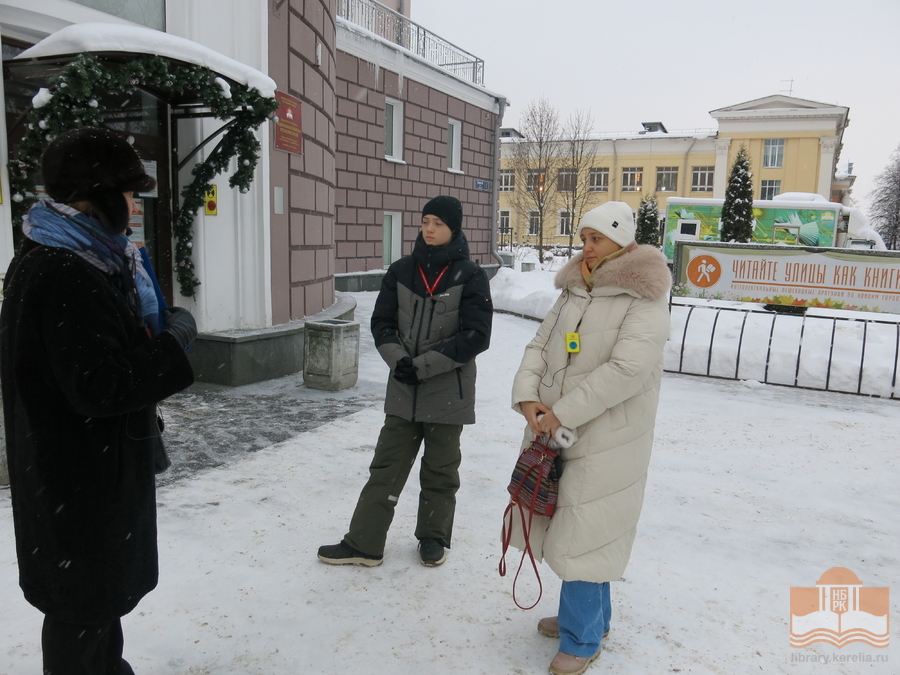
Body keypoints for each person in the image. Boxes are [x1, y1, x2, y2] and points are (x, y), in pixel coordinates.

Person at [0, 128, 197, 674]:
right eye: (130, 194)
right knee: (81, 606)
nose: (136, 207)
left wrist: (154, 337)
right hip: (78, 478)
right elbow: (100, 385)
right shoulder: (66, 270)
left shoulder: (75, 256)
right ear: (99, 195)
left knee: (93, 602)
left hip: (80, 476)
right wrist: (172, 346)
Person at [509, 201, 671, 675]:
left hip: (608, 437)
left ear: (621, 242)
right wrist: (527, 399)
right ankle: (591, 619)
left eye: (594, 239)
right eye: (583, 238)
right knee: (578, 528)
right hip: (557, 429)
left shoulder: (644, 298)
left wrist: (560, 412)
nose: (585, 248)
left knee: (586, 532)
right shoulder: (576, 288)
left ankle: (582, 639)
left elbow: (627, 371)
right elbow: (540, 345)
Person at [318, 195, 492, 567]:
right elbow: (382, 323)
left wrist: (423, 365)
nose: (429, 229)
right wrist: (399, 362)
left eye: (438, 224)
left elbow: (477, 336)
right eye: (426, 221)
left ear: (453, 229)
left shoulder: (471, 275)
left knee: (440, 471)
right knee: (386, 466)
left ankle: (432, 538)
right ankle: (364, 543)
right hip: (403, 389)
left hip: (449, 393)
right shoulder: (400, 271)